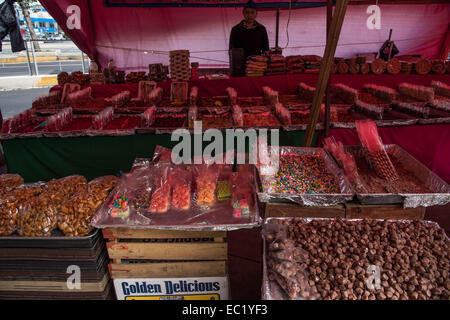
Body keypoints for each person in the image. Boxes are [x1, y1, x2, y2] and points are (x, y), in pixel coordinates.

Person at [229, 1, 269, 76]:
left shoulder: (261, 29)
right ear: (243, 13)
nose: (249, 15)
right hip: (239, 67)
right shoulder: (236, 29)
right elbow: (231, 49)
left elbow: (266, 49)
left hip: (256, 67)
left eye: (252, 12)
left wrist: (262, 65)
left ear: (256, 14)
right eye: (247, 12)